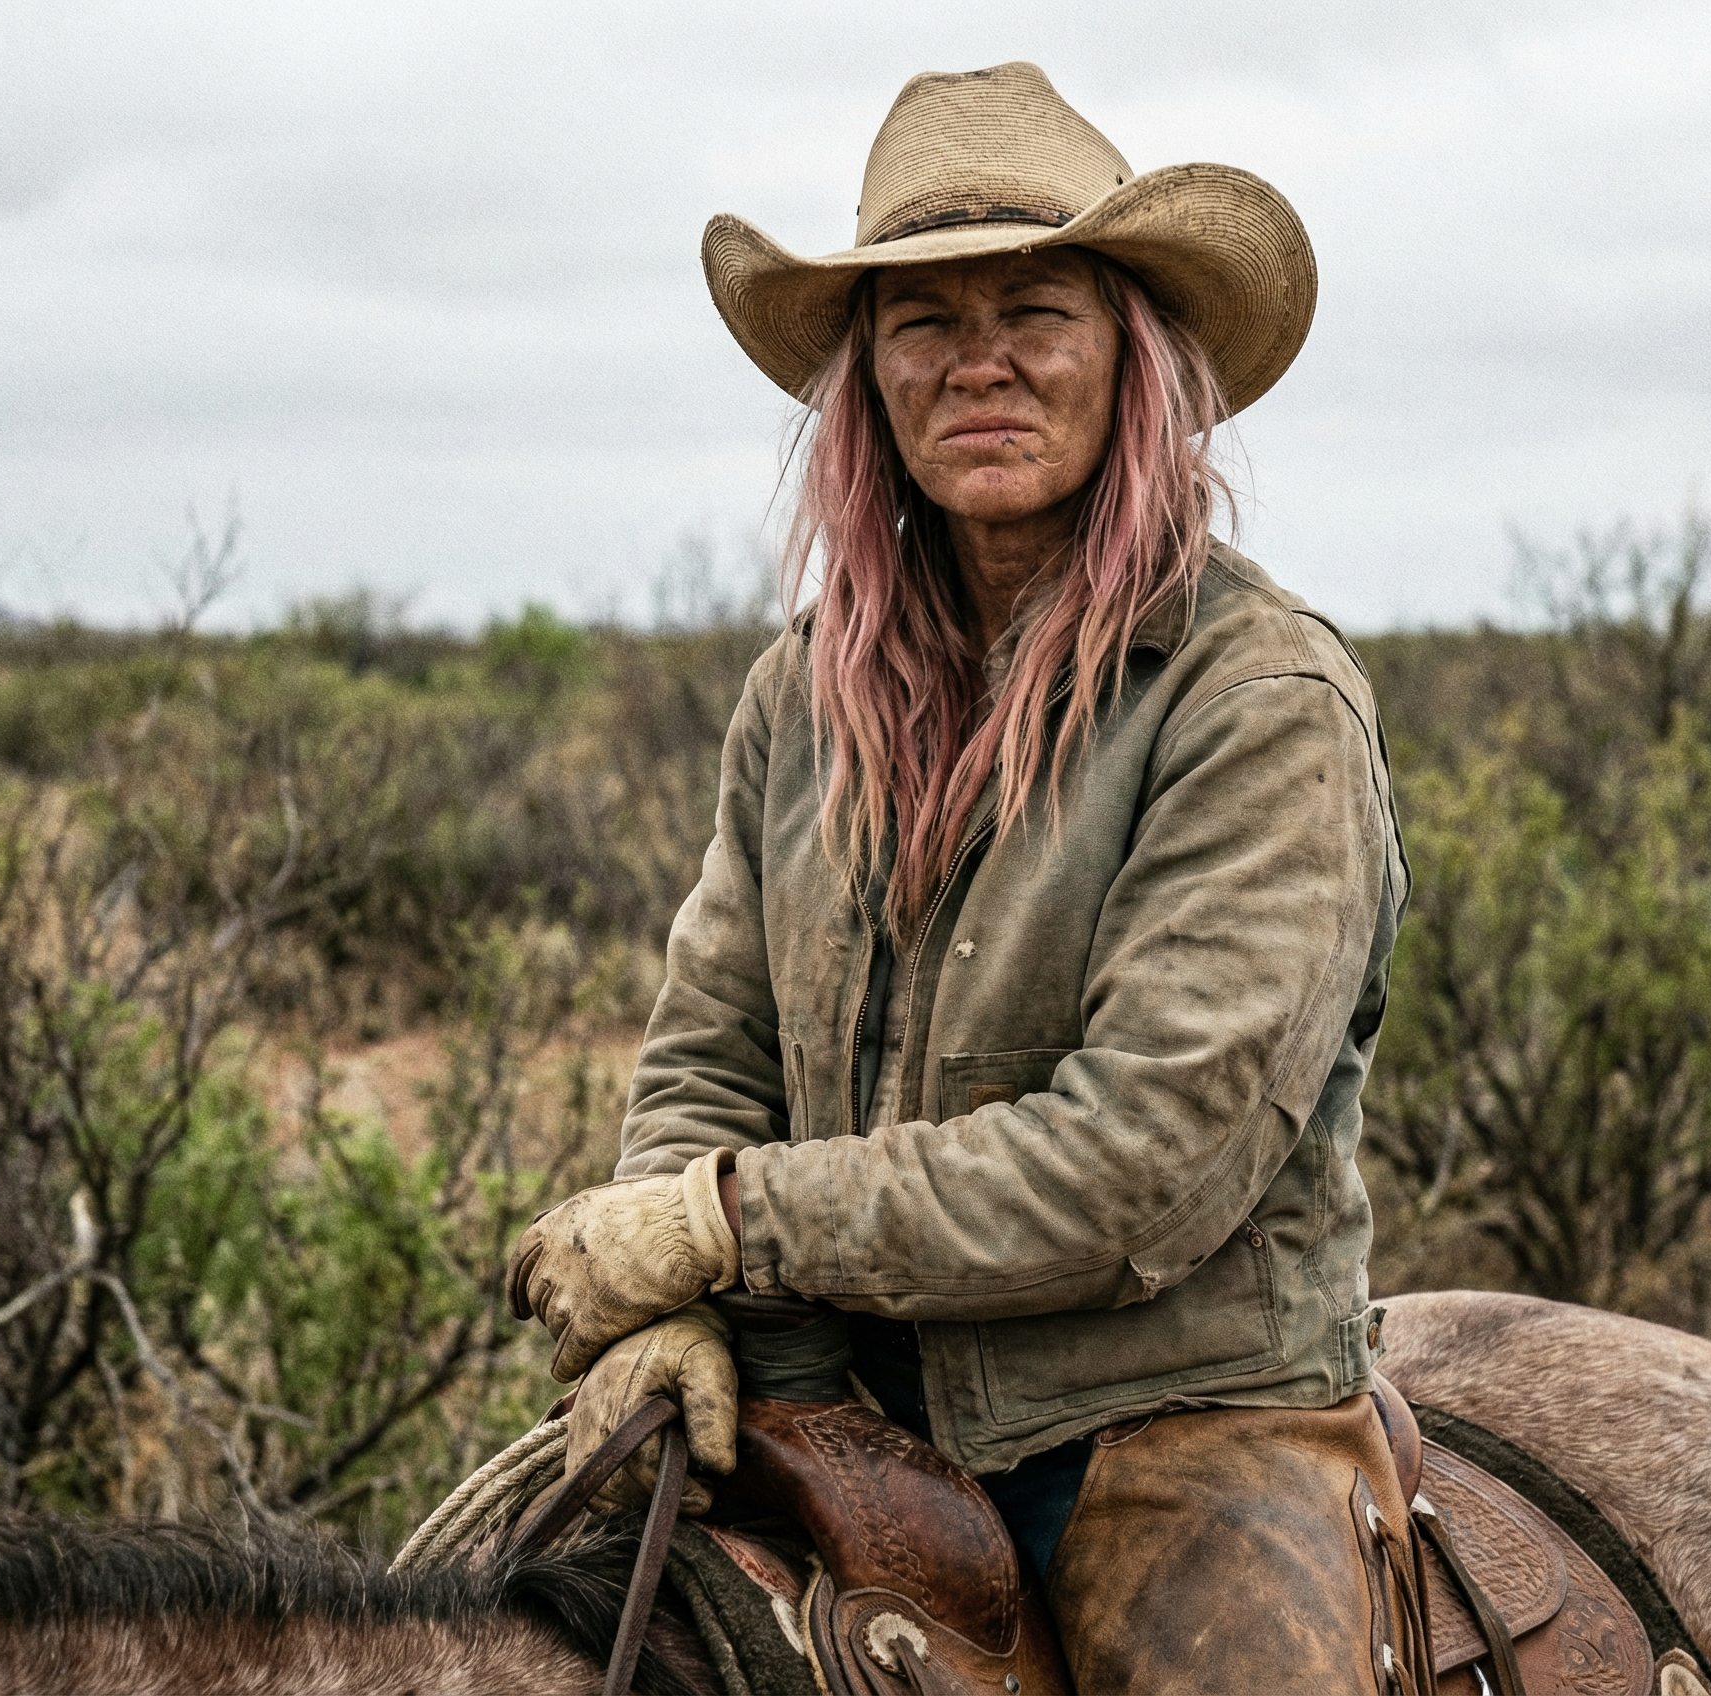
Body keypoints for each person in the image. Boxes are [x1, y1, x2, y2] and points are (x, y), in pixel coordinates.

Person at [511, 61, 1416, 1694]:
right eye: (923, 320)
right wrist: (675, 1310)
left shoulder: (1256, 701)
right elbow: (712, 1042)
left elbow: (1140, 1166)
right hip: (831, 1400)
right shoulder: (801, 696)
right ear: (870, 380)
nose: (978, 362)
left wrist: (721, 1225)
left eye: (1037, 312)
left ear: (1133, 358)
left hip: (1171, 1421)